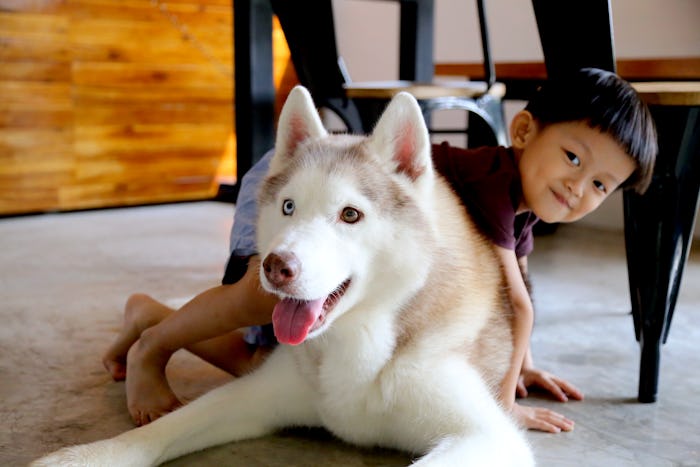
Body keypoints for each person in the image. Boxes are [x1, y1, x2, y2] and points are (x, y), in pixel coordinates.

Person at [102, 68, 657, 432]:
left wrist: (522, 366)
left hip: (350, 232)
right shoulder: (493, 182)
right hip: (306, 188)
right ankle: (153, 346)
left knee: (267, 361)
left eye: (601, 185)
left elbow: (506, 295)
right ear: (524, 129)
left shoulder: (524, 202)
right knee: (253, 297)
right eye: (574, 159)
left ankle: (149, 313)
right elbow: (519, 303)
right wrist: (503, 404)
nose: (578, 188)